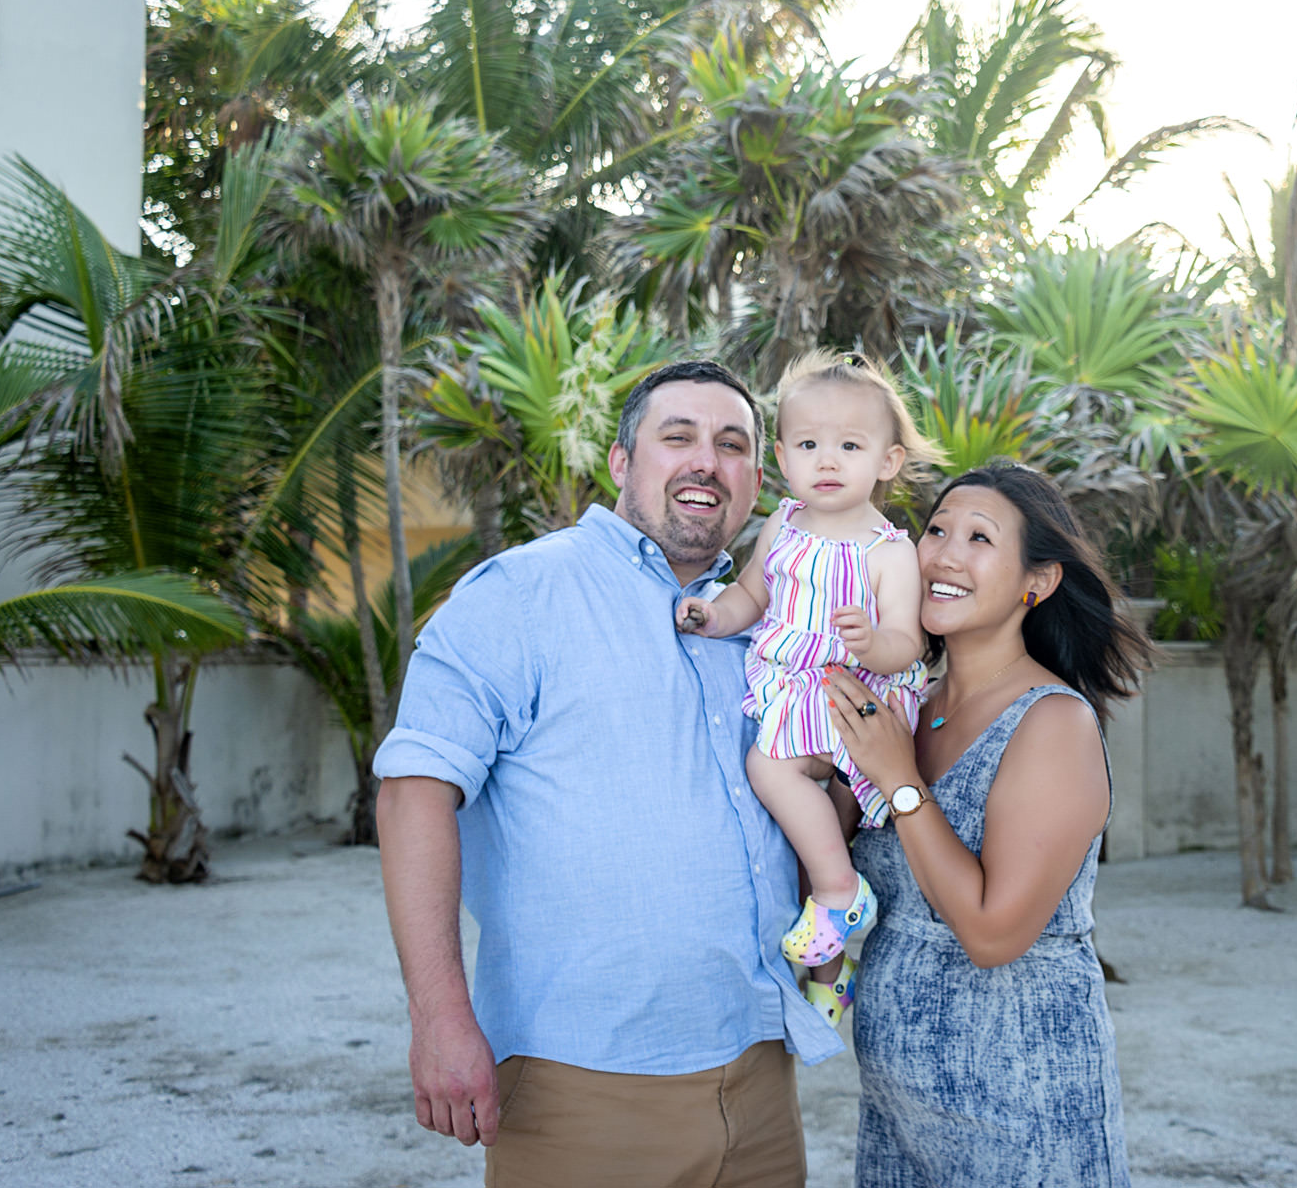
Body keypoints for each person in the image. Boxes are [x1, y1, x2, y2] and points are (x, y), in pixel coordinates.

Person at [372, 361, 841, 1188]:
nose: (707, 461)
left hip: (761, 1082)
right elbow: (414, 792)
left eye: (732, 445)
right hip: (582, 1086)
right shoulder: (521, 593)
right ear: (622, 463)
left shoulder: (775, 627)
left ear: (757, 482)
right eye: (678, 437)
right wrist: (440, 1017)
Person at [818, 463, 1154, 1187]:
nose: (944, 554)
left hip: (1021, 1107)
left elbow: (993, 934)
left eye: (980, 538)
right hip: (898, 1111)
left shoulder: (1051, 721)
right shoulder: (906, 706)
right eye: (936, 529)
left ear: (1037, 582)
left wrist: (899, 779)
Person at [676, 352, 937, 1021]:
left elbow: (908, 640)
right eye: (810, 444)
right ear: (785, 458)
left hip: (853, 695)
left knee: (769, 767)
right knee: (798, 812)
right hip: (796, 691)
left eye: (850, 445)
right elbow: (749, 595)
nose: (828, 460)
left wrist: (872, 642)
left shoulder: (888, 550)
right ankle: (829, 977)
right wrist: (710, 617)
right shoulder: (783, 526)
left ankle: (839, 890)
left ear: (887, 460)